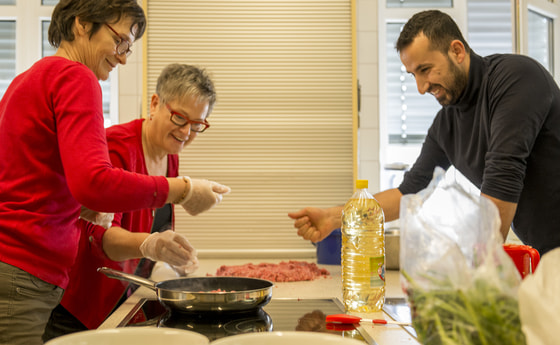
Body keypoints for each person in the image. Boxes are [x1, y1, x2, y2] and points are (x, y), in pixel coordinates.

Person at [0, 1, 230, 344]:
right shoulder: (77, 76)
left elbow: (31, 177)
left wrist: (76, 204)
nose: (123, 57)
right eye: (120, 41)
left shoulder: (28, 78)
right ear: (81, 24)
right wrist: (181, 189)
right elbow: (93, 182)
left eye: (129, 48)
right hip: (26, 269)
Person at [289, 9, 560, 257]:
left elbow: (503, 176)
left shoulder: (516, 79)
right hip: (548, 254)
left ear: (457, 50)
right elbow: (407, 193)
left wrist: (478, 272)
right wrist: (335, 217)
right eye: (412, 75)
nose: (421, 87)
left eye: (425, 70)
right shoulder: (446, 125)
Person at [41, 63, 216, 340]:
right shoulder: (116, 149)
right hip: (82, 305)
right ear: (155, 103)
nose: (186, 133)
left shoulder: (169, 153)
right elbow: (102, 238)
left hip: (124, 300)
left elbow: (155, 225)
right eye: (181, 118)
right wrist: (151, 246)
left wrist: (170, 256)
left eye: (197, 125)